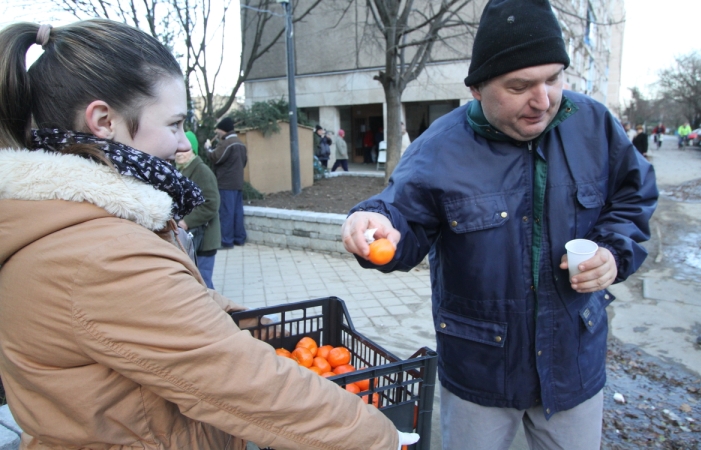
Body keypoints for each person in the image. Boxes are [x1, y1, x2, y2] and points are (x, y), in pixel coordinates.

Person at [0, 19, 417, 450]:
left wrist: (270, 331)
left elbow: (178, 304)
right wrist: (379, 437)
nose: (184, 144)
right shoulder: (98, 254)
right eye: (175, 124)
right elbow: (239, 380)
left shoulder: (79, 222)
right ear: (104, 120)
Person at [341, 1, 658, 449]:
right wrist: (376, 224)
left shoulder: (594, 126)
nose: (543, 99)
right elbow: (401, 219)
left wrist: (613, 251)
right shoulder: (438, 149)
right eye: (520, 85)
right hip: (479, 373)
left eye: (553, 79)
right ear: (477, 89)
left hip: (573, 363)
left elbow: (634, 195)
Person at [176, 147, 221, 288]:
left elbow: (212, 204)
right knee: (198, 282)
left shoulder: (201, 171)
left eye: (184, 150)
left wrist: (186, 221)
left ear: (194, 150)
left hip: (204, 239)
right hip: (193, 238)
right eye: (177, 150)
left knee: (203, 283)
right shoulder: (183, 169)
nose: (179, 153)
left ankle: (215, 309)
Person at [207, 116, 248, 248]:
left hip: (225, 184)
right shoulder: (240, 143)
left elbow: (216, 158)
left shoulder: (226, 143)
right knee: (237, 212)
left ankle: (226, 241)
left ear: (223, 130)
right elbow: (244, 162)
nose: (217, 132)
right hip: (238, 183)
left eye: (218, 129)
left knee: (226, 212)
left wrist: (208, 148)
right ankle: (239, 238)